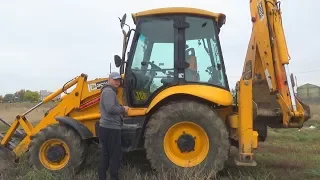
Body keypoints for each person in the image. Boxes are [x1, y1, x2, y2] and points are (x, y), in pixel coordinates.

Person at [98, 72, 129, 180]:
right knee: (114, 156)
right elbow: (110, 109)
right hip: (111, 128)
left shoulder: (108, 91)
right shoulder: (109, 92)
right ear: (109, 80)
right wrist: (123, 109)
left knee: (105, 155)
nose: (117, 82)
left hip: (107, 128)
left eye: (119, 80)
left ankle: (102, 177)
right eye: (115, 79)